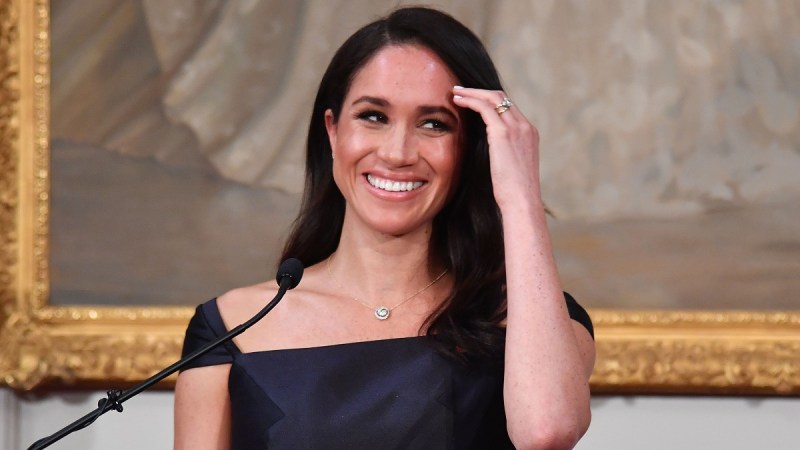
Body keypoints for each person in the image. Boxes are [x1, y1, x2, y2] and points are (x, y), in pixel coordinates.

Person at [174, 6, 595, 449]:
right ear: (332, 131)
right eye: (373, 116)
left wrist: (520, 196)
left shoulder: (532, 320)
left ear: (472, 147)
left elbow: (547, 432)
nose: (397, 152)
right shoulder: (229, 327)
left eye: (434, 124)